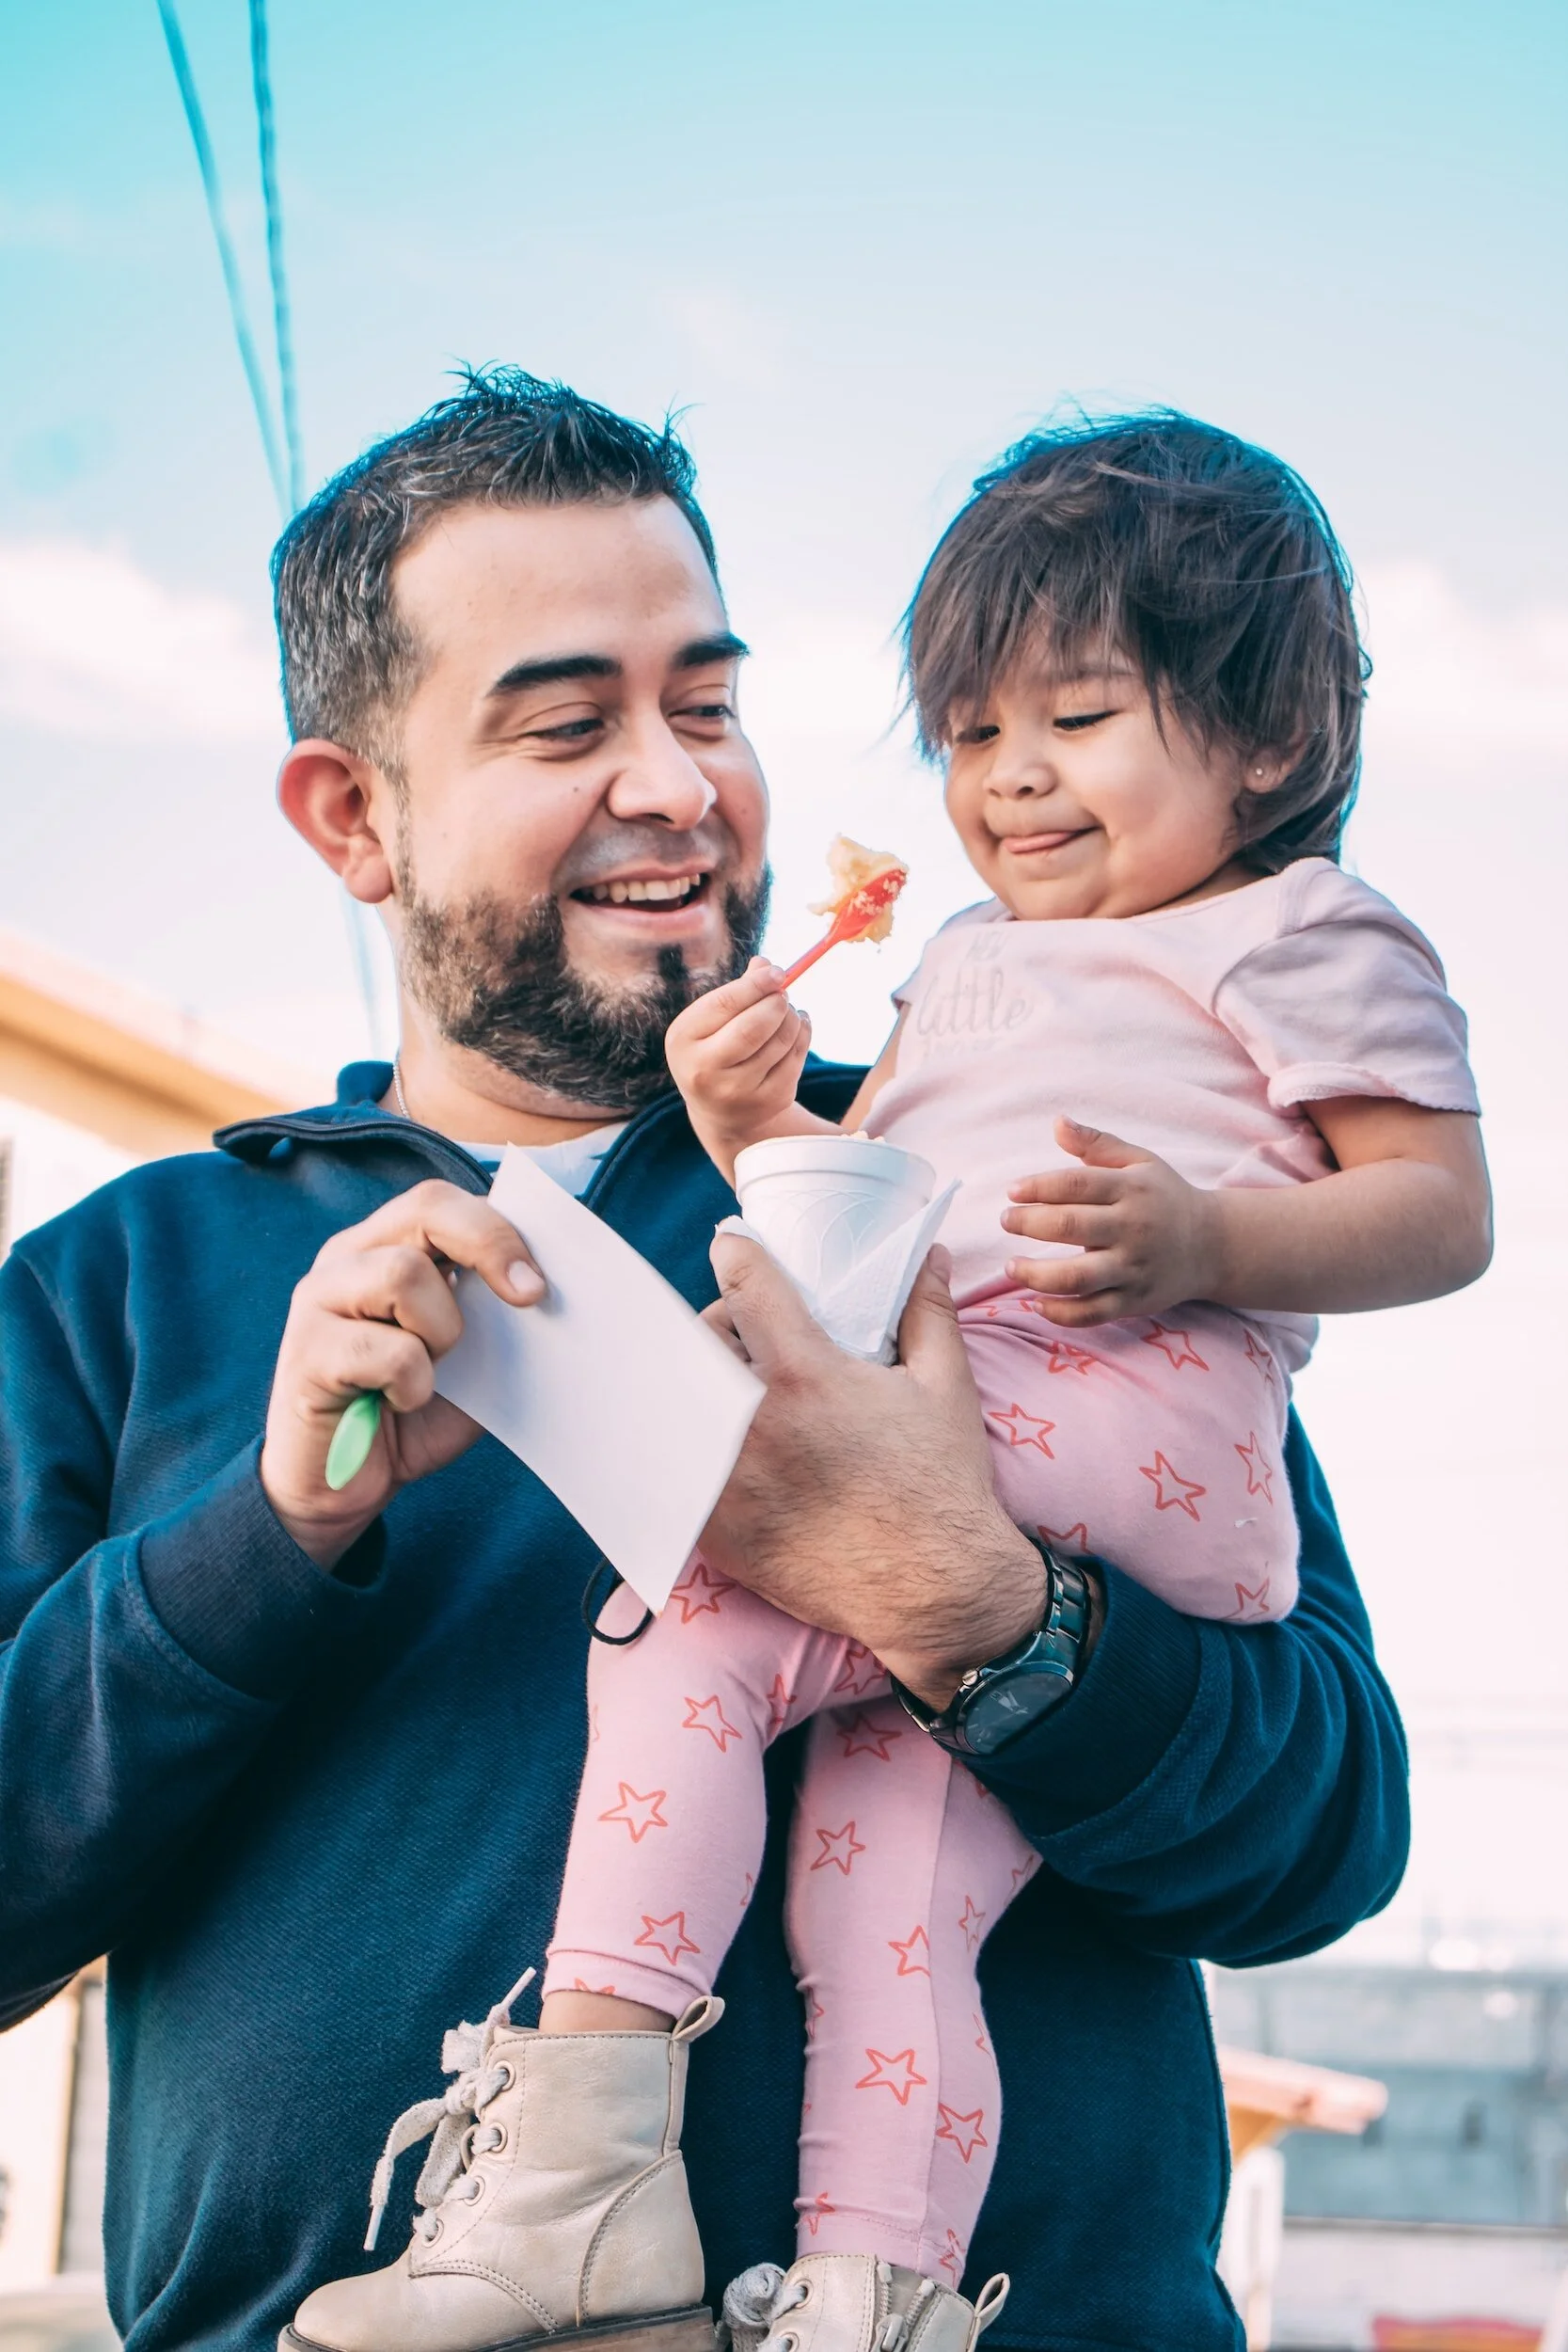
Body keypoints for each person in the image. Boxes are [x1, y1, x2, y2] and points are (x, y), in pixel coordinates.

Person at [0, 371, 1410, 2352]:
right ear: (351, 814)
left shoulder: (984, 1173)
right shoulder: (119, 1287)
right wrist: (264, 1538)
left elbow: (1321, 1830)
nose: (673, 783)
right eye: (569, 722)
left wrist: (973, 1602)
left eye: (710, 703)